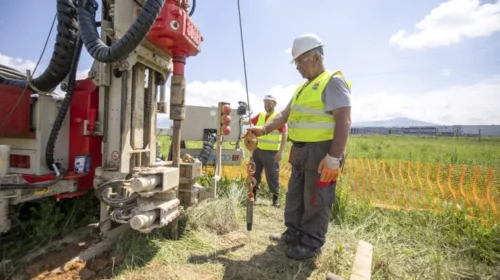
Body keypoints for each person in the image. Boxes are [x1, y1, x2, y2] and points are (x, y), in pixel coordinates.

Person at [246, 33, 352, 260]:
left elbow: (344, 120)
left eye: (299, 61)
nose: (297, 67)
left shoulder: (333, 80)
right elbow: (284, 115)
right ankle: (293, 233)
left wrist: (334, 157)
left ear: (315, 57)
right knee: (295, 194)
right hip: (301, 150)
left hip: (322, 151)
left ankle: (311, 243)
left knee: (316, 197)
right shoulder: (302, 89)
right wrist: (262, 130)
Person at [249, 94, 287, 208]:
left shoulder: (278, 117)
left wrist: (280, 152)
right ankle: (253, 195)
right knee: (255, 173)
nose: (267, 104)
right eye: (265, 102)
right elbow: (249, 122)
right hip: (258, 150)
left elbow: (284, 134)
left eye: (269, 102)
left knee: (272, 175)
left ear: (274, 104)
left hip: (272, 152)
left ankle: (275, 200)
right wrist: (238, 117)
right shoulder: (260, 115)